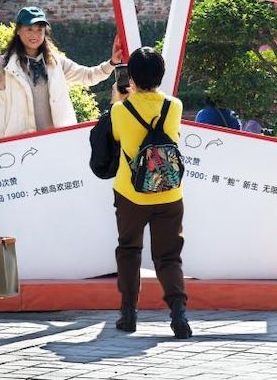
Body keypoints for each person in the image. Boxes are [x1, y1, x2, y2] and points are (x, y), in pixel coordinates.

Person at [109, 47, 192, 338]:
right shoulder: (175, 106)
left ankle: (129, 314)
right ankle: (179, 314)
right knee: (169, 257)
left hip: (131, 193)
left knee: (130, 251)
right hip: (169, 193)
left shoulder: (121, 109)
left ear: (130, 76)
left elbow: (117, 137)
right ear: (161, 75)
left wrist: (119, 98)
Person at [0, 6, 122, 139]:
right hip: (16, 145)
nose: (35, 35)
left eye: (39, 30)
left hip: (55, 140)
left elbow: (88, 76)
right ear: (18, 31)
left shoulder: (55, 62)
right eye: (29, 29)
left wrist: (112, 62)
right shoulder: (5, 65)